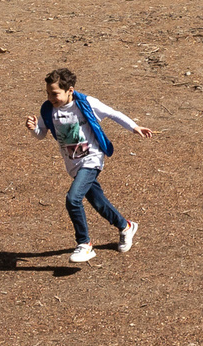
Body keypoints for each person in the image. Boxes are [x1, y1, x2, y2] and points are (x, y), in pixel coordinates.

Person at [24, 68, 152, 263]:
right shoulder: (49, 109)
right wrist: (34, 129)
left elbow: (113, 113)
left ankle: (84, 244)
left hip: (91, 160)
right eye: (48, 93)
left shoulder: (86, 103)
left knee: (73, 199)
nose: (51, 97)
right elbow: (42, 134)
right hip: (73, 164)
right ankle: (126, 226)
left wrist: (134, 127)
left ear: (70, 91)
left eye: (55, 93)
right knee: (98, 202)